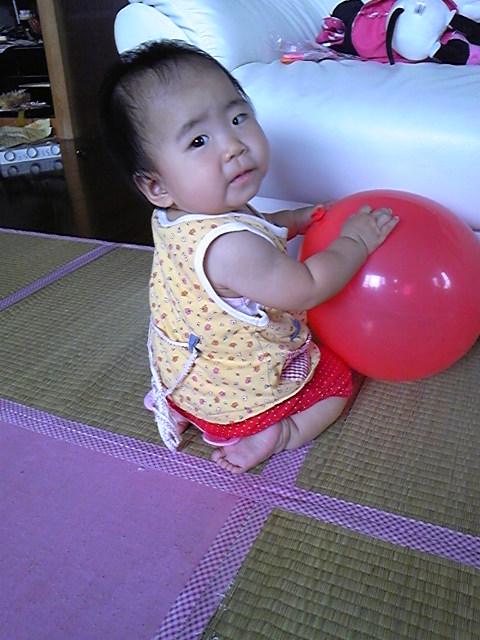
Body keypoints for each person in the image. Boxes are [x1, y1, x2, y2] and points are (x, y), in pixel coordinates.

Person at [100, 40, 399, 473]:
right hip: (243, 400)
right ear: (156, 186)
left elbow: (253, 228)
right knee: (337, 382)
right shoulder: (232, 248)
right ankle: (279, 433)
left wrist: (292, 220)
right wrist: (357, 241)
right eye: (199, 140)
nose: (233, 146)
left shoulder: (182, 214)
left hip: (184, 375)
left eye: (238, 118)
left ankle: (186, 406)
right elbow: (307, 287)